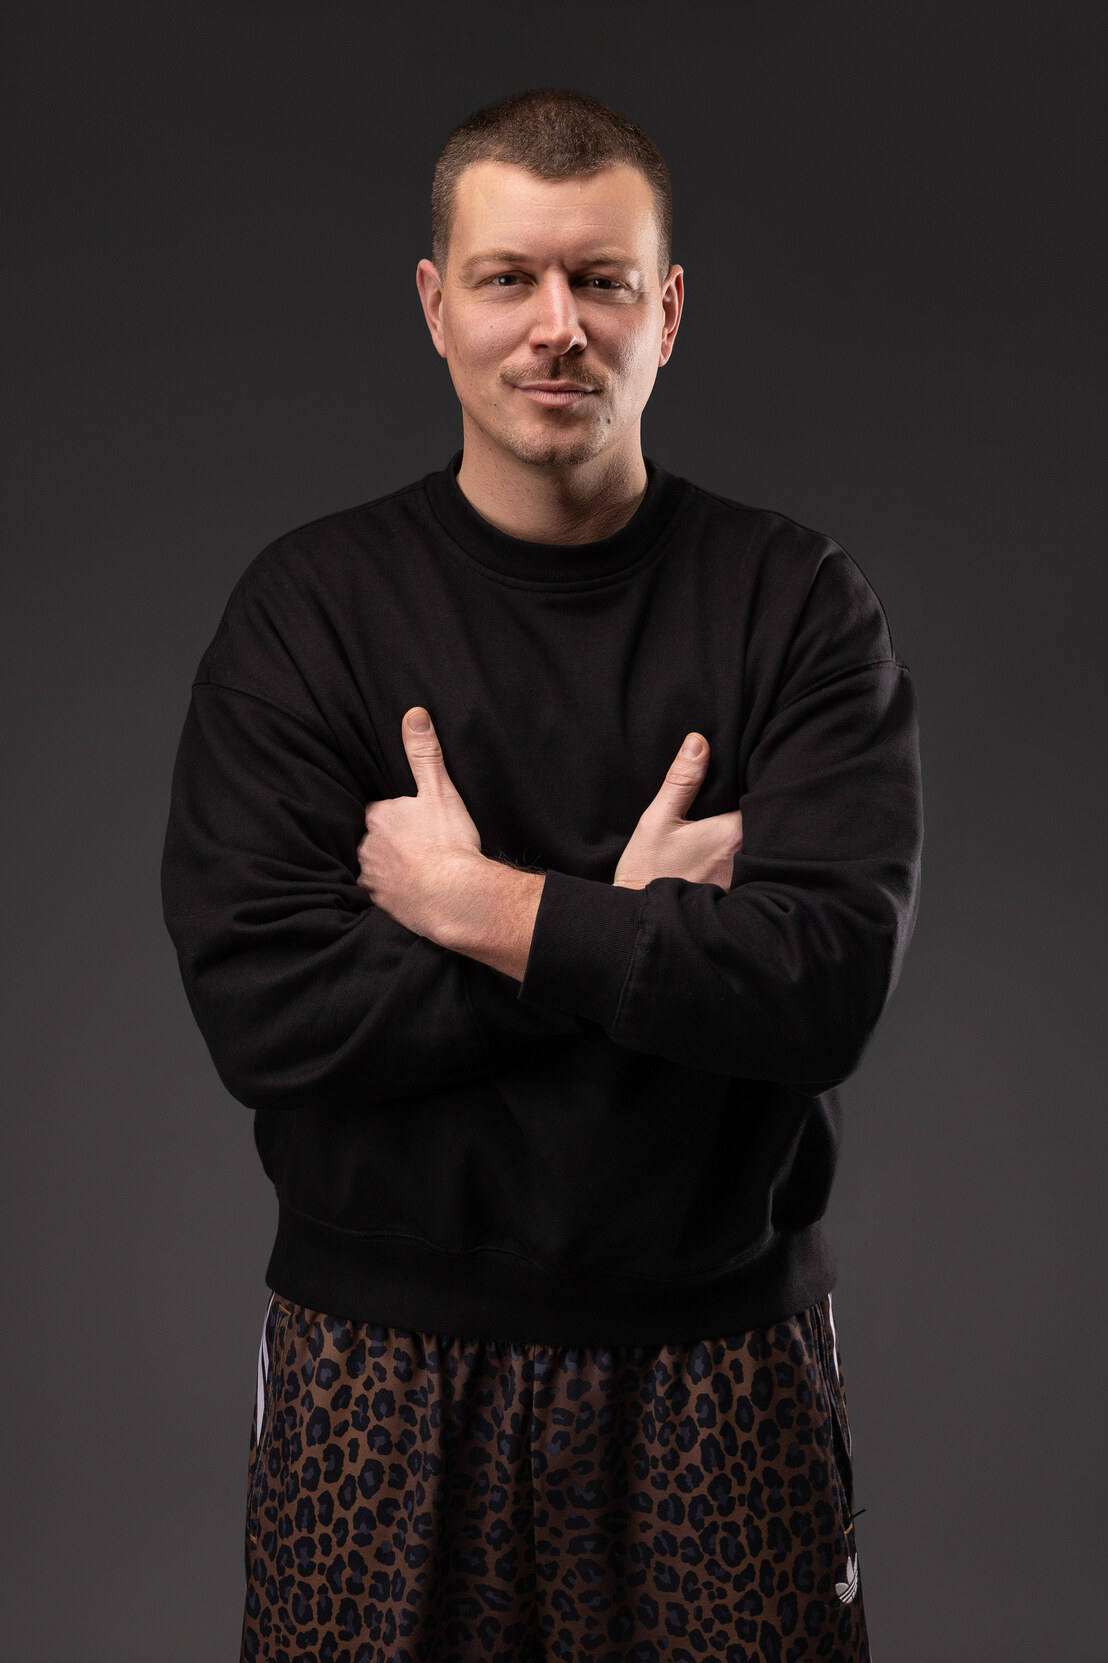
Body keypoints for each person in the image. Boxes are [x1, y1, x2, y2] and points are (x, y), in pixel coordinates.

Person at [161, 87, 921, 1663]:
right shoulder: (307, 612)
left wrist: (473, 905)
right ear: (436, 304)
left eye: (602, 282)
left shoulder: (794, 604)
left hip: (717, 1357)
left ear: (669, 311)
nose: (556, 327)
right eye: (507, 277)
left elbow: (825, 986)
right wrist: (629, 932)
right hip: (376, 1366)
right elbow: (266, 1010)